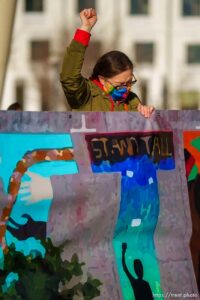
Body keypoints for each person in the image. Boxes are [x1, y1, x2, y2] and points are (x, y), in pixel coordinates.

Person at [60, 8, 154, 117]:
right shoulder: (86, 95)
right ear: (102, 79)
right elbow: (69, 77)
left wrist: (147, 115)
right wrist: (85, 29)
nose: (126, 89)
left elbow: (141, 131)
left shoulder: (132, 101)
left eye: (129, 83)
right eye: (120, 85)